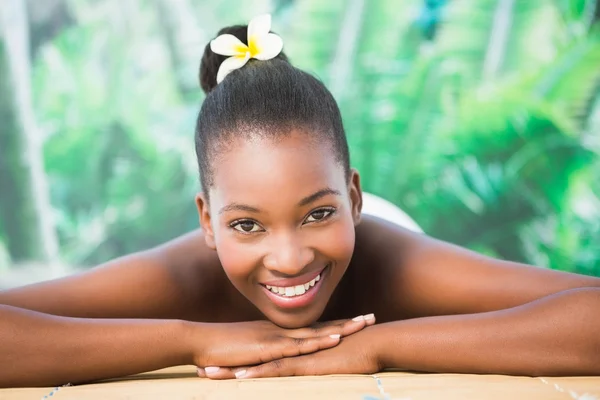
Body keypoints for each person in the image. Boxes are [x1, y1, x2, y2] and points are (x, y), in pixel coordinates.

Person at [1, 14, 599, 388]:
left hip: (381, 238)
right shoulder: (184, 276)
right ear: (208, 222)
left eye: (317, 213)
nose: (288, 258)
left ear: (354, 197)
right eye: (247, 225)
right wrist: (190, 339)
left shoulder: (390, 262)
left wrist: (375, 347)